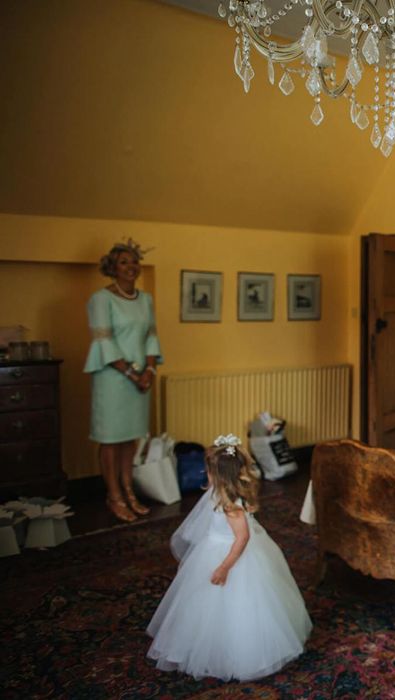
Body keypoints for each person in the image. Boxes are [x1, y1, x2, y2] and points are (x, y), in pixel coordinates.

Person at [146, 434, 312, 681]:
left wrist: (224, 567)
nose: (206, 475)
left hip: (231, 555)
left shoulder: (231, 505)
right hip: (212, 548)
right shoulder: (216, 493)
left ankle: (241, 651)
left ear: (218, 475)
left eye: (209, 471)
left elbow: (242, 539)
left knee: (239, 605)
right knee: (200, 604)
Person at [84, 239, 162, 522]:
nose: (131, 267)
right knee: (110, 438)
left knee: (131, 437)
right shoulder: (100, 299)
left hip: (142, 378)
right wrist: (131, 373)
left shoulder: (146, 300)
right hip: (113, 379)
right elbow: (103, 342)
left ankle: (130, 491)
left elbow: (151, 336)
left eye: (134, 261)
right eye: (124, 262)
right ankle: (114, 495)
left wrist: (149, 372)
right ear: (112, 268)